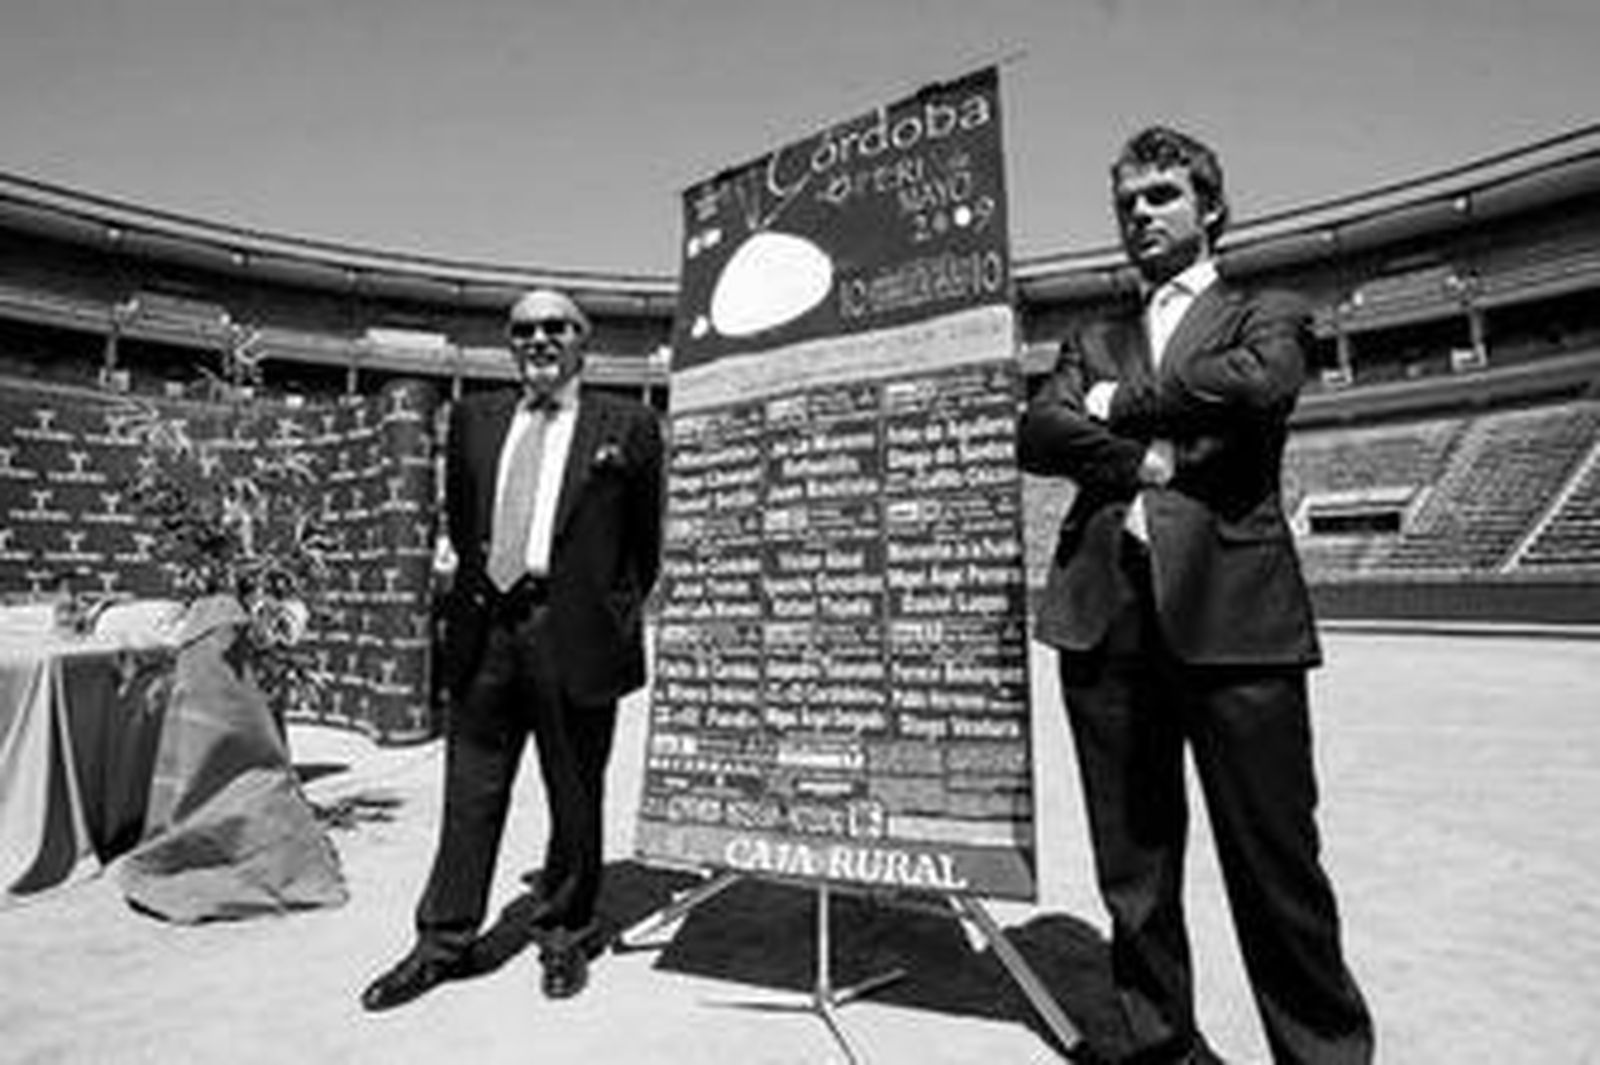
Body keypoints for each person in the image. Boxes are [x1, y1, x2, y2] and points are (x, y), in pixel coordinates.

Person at [1018, 127, 1373, 1064]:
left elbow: (1260, 386)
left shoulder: (1269, 308)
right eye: (1128, 201)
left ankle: (1325, 1056)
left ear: (1209, 206)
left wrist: (1118, 404)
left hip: (1235, 616)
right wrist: (1146, 452)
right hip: (1106, 619)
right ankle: (1159, 1047)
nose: (1141, 213)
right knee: (1134, 872)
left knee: (1277, 869)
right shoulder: (1090, 334)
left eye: (1162, 195)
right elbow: (1038, 434)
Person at [362, 288, 663, 1009]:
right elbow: (466, 529)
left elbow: (642, 546)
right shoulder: (473, 420)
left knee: (574, 792)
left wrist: (605, 610)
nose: (539, 338)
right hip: (488, 627)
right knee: (470, 792)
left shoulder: (629, 424)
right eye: (524, 328)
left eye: (555, 325)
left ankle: (565, 932)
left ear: (581, 339)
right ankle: (443, 941)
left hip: (574, 632)